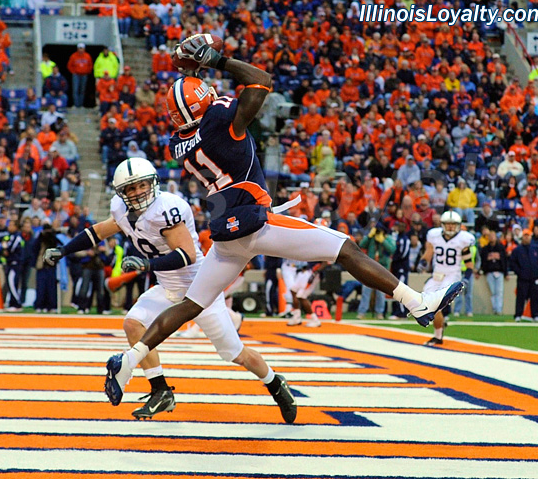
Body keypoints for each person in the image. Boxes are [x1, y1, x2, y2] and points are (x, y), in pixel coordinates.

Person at [47, 35, 462, 415]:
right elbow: (261, 80)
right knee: (345, 249)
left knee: (191, 303)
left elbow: (195, 108)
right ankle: (416, 302)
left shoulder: (181, 142)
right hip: (256, 224)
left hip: (227, 237)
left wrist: (191, 74)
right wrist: (218, 60)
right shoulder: (219, 120)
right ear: (204, 100)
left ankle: (130, 361)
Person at [44, 157, 297, 423]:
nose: (138, 192)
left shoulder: (168, 208)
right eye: (130, 189)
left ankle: (274, 382)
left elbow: (186, 255)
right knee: (132, 324)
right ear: (122, 193)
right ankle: (160, 390)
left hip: (200, 291)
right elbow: (98, 231)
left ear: (152, 183)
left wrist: (146, 264)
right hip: (167, 288)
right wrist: (64, 249)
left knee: (235, 354)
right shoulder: (121, 209)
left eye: (141, 185)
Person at [417, 211, 475, 346]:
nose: (450, 227)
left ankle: (438, 336)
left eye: (453, 224)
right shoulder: (434, 236)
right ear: (442, 225)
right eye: (448, 224)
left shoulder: (463, 239)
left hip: (452, 275)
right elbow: (428, 253)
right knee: (426, 302)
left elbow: (469, 263)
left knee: (436, 304)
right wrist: (423, 262)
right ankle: (441, 324)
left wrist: (466, 277)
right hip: (436, 275)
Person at [510, 229, 538, 322]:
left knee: (535, 297)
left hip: (534, 277)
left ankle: (535, 315)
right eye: (525, 235)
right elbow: (513, 263)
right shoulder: (517, 250)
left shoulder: (536, 248)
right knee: (521, 297)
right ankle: (518, 314)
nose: (527, 237)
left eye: (528, 235)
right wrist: (520, 272)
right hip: (523, 278)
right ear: (522, 237)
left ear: (531, 236)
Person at [479, 230, 507, 316]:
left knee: (499, 291)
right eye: (490, 236)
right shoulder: (485, 249)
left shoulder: (501, 248)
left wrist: (506, 272)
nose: (491, 238)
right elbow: (483, 261)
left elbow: (504, 260)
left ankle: (499, 309)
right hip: (490, 272)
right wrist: (484, 270)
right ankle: (495, 309)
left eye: (493, 236)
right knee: (493, 292)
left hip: (499, 272)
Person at [67, 43, 94, 108]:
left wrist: (87, 71)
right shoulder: (73, 56)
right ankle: (76, 105)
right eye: (79, 48)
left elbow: (90, 65)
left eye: (82, 48)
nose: (81, 50)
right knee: (75, 90)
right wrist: (73, 71)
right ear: (77, 49)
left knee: (82, 90)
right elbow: (69, 65)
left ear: (84, 49)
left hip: (84, 75)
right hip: (76, 75)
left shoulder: (87, 56)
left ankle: (81, 105)